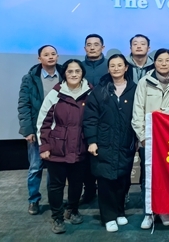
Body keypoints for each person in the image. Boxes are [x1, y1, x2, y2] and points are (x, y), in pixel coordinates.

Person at [132, 49, 169, 230]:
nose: (163, 63)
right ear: (154, 62)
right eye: (160, 60)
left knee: (168, 175)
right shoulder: (144, 82)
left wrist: (162, 113)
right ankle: (149, 213)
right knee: (148, 176)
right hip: (148, 138)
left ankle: (164, 210)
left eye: (167, 60)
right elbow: (137, 111)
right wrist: (142, 136)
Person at [83, 54, 137, 233]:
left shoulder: (135, 89)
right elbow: (90, 119)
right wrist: (92, 141)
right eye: (112, 65)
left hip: (126, 143)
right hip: (104, 143)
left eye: (119, 65)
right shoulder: (99, 91)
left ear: (126, 68)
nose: (116, 68)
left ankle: (120, 211)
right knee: (106, 181)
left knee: (123, 180)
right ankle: (108, 217)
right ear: (108, 69)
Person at [37, 59, 92, 234]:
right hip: (57, 148)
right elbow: (43, 122)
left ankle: (73, 210)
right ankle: (57, 218)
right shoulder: (55, 94)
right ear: (64, 74)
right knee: (56, 185)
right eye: (70, 71)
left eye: (77, 71)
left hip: (80, 147)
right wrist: (44, 146)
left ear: (82, 73)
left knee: (76, 184)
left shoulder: (91, 93)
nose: (74, 74)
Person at [18, 45, 63, 216]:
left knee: (55, 168)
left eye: (53, 54)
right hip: (37, 130)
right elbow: (23, 105)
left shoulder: (65, 74)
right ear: (39, 58)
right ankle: (34, 200)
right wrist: (27, 130)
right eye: (46, 54)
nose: (50, 57)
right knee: (35, 167)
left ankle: (54, 199)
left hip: (59, 130)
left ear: (57, 56)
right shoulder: (30, 78)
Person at [81, 33, 107, 204]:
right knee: (85, 157)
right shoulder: (78, 67)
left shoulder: (110, 66)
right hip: (83, 117)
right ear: (85, 48)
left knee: (104, 155)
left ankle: (106, 192)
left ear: (102, 47)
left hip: (106, 117)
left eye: (96, 44)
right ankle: (89, 190)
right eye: (89, 45)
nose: (92, 48)